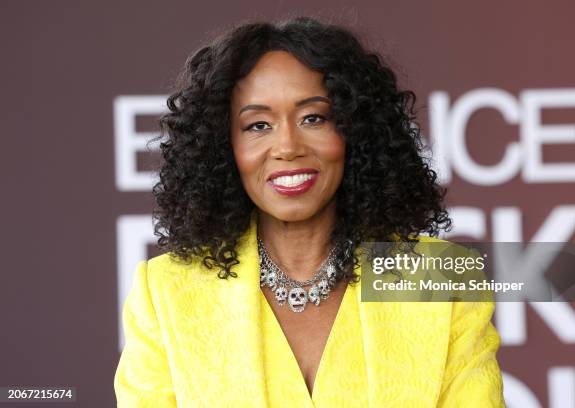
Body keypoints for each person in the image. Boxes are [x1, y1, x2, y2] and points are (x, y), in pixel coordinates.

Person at [114, 16, 505, 407]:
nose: (287, 145)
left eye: (313, 118)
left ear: (354, 130)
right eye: (258, 125)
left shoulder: (441, 281)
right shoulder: (165, 293)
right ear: (222, 146)